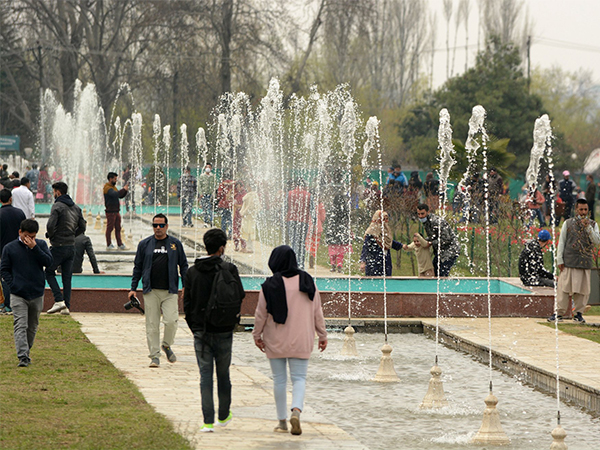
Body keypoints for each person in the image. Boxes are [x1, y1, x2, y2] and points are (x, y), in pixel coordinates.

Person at [253, 245, 327, 435]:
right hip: (302, 338)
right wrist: (322, 335)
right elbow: (317, 312)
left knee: (279, 380)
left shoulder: (269, 285)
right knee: (299, 378)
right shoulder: (308, 281)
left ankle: (282, 422)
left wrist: (257, 335)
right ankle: (296, 410)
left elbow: (260, 315)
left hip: (275, 339)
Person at [183, 228, 245, 433]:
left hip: (201, 331)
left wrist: (195, 328)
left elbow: (187, 303)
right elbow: (240, 296)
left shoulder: (192, 271)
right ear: (221, 248)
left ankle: (207, 421)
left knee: (205, 375)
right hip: (224, 331)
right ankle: (224, 414)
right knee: (223, 374)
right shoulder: (230, 269)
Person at [129, 214, 188, 367]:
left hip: (170, 291)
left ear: (167, 226)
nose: (158, 228)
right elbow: (138, 267)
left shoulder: (175, 244)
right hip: (151, 291)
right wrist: (133, 288)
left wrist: (185, 285)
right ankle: (154, 356)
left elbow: (184, 266)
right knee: (152, 325)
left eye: (161, 225)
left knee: (171, 321)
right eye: (155, 225)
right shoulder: (145, 244)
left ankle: (166, 344)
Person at [1, 219, 53, 367]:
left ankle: (26, 349)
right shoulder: (10, 248)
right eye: (27, 236)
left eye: (33, 236)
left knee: (32, 326)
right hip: (18, 294)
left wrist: (35, 247)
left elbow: (49, 262)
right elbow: (4, 269)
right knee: (20, 325)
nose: (29, 239)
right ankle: (23, 356)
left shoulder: (41, 245)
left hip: (37, 292)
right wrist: (13, 285)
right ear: (20, 232)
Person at [549, 199, 600, 323]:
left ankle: (578, 314)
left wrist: (588, 227)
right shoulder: (568, 223)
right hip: (569, 261)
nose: (583, 212)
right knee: (563, 289)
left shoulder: (593, 225)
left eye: (585, 209)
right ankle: (559, 313)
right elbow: (562, 242)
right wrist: (560, 260)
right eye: (581, 209)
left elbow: (596, 241)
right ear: (576, 210)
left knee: (583, 291)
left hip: (584, 262)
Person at [45, 182, 87, 315]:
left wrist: (51, 235)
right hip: (71, 246)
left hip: (58, 246)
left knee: (49, 272)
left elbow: (50, 226)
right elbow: (83, 227)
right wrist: (72, 235)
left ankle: (58, 300)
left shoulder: (57, 206)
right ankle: (66, 307)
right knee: (67, 278)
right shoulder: (76, 207)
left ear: (58, 192)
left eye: (54, 192)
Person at [0, 189, 26, 314]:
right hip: (18, 250)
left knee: (5, 277)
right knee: (16, 276)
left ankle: (6, 304)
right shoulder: (20, 213)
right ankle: (16, 303)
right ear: (11, 199)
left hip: (2, 251)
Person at [416, 203, 460, 277]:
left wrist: (431, 243)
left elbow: (446, 239)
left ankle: (443, 287)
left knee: (442, 274)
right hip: (440, 251)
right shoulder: (427, 222)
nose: (420, 216)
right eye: (419, 214)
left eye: (422, 214)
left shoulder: (436, 222)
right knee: (434, 272)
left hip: (450, 250)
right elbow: (433, 236)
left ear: (428, 212)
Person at [359, 210, 402, 276]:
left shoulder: (385, 232)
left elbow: (388, 242)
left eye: (387, 219)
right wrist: (363, 262)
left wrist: (401, 246)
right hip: (374, 264)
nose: (386, 221)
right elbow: (365, 247)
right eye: (384, 219)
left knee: (386, 283)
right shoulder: (371, 233)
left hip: (386, 263)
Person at [286, 179, 312, 269]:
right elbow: (311, 209)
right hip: (303, 221)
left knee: (293, 242)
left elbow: (286, 206)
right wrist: (315, 221)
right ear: (304, 186)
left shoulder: (289, 193)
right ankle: (301, 264)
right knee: (301, 243)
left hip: (291, 220)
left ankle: (292, 264)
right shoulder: (308, 195)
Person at [325, 192, 352, 273]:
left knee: (332, 248)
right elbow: (348, 219)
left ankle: (333, 264)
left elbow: (329, 219)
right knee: (340, 250)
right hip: (342, 230)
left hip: (332, 231)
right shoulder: (345, 209)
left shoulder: (332, 209)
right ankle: (339, 265)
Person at [104, 172, 129, 250]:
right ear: (110, 179)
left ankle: (120, 243)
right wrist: (123, 189)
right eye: (115, 179)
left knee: (118, 228)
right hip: (110, 211)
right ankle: (109, 244)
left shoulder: (113, 187)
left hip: (116, 211)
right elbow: (115, 194)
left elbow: (120, 196)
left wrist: (125, 191)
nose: (116, 180)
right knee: (110, 228)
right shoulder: (107, 187)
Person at [240, 187, 260, 253]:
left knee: (249, 231)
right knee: (247, 231)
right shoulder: (251, 195)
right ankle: (247, 247)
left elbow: (250, 206)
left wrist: (243, 212)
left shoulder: (252, 196)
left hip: (249, 216)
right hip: (249, 216)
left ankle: (249, 248)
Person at [232, 181, 247, 251]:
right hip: (236, 215)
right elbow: (228, 198)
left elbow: (245, 205)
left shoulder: (245, 195)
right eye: (236, 187)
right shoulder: (236, 194)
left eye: (238, 187)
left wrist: (237, 206)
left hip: (242, 215)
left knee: (242, 231)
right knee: (235, 230)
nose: (237, 188)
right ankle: (236, 245)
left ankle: (243, 246)